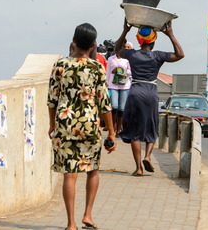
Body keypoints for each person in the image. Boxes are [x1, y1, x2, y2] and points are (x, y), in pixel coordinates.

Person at [48, 23, 116, 230]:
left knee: (70, 174)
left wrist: (52, 126)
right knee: (92, 170)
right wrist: (112, 132)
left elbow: (52, 99)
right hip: (90, 125)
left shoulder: (60, 65)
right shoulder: (97, 68)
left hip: (65, 124)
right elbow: (104, 103)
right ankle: (87, 215)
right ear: (94, 45)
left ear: (74, 42)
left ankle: (71, 224)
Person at [114, 18, 184, 176]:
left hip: (135, 92)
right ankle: (148, 156)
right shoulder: (158, 56)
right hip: (151, 93)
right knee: (151, 127)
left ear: (139, 40)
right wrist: (170, 34)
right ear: (154, 41)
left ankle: (138, 168)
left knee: (134, 132)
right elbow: (180, 54)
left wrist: (125, 30)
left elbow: (116, 49)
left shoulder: (132, 54)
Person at [106, 41, 132, 137]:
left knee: (122, 108)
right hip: (113, 85)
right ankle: (112, 127)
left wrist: (120, 71)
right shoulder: (110, 59)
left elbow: (130, 71)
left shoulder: (127, 59)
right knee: (114, 106)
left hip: (124, 85)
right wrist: (106, 85)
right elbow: (107, 72)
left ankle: (119, 129)